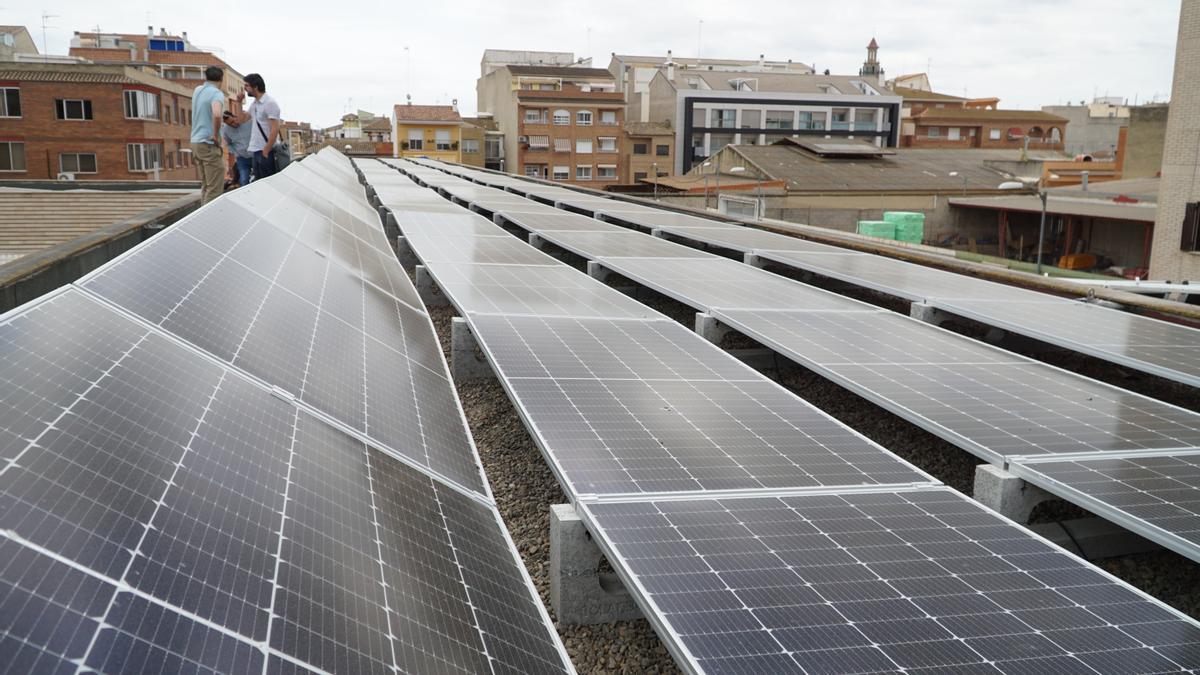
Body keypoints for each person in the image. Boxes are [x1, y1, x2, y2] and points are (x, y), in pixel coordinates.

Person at [190, 65, 225, 204]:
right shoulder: (216, 93)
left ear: (206, 77)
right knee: (215, 188)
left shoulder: (198, 90)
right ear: (221, 79)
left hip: (196, 142)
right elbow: (217, 114)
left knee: (206, 186)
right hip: (208, 144)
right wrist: (215, 135)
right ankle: (210, 220)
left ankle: (201, 216)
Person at [236, 73, 281, 180]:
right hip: (256, 150)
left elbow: (275, 128)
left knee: (268, 183)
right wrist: (239, 103)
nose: (245, 89)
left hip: (266, 151)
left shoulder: (269, 103)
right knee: (259, 183)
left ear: (255, 86)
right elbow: (241, 120)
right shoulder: (255, 104)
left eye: (247, 86)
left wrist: (266, 150)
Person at [221, 110, 253, 187]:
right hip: (242, 158)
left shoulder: (248, 122)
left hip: (255, 155)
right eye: (229, 124)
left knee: (260, 178)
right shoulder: (225, 130)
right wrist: (236, 153)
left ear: (234, 116)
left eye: (233, 121)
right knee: (243, 179)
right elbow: (228, 143)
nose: (233, 124)